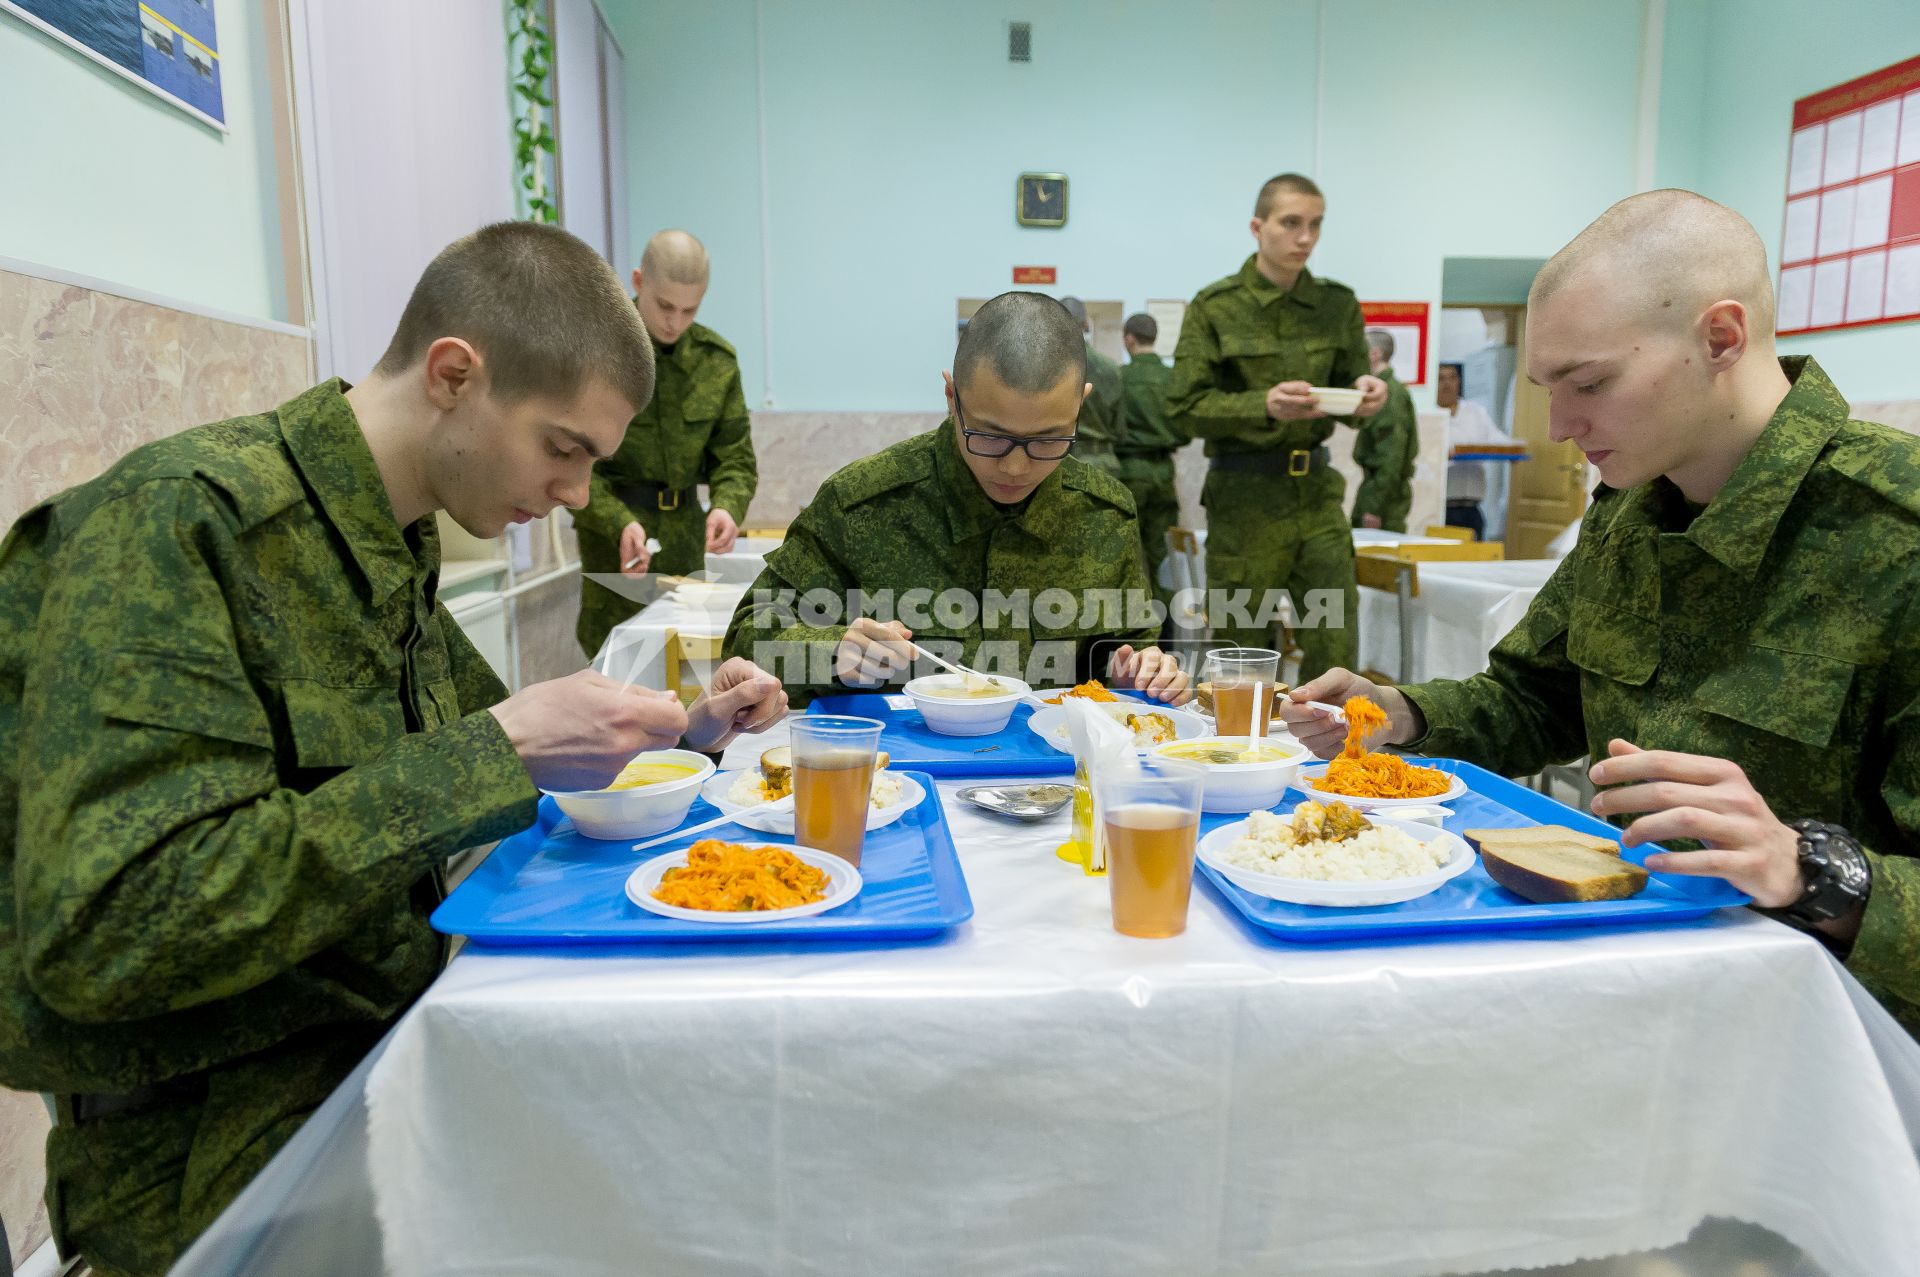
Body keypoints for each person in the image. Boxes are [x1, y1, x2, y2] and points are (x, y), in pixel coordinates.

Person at [0, 222, 790, 1276]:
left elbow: (499, 754)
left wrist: (682, 727)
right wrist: (500, 748)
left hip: (377, 1080)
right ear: (456, 374)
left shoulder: (384, 541)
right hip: (216, 1167)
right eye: (563, 448)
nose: (575, 496)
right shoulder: (185, 526)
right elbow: (110, 926)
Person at [1281, 189, 1920, 1041]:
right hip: (1637, 987)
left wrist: (1811, 871)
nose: (1561, 424)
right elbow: (1536, 696)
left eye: (1589, 383)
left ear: (1720, 338)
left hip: (1840, 1049)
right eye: (1551, 386)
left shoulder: (1894, 534)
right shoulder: (1631, 508)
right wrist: (1404, 713)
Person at [723, 291, 1190, 706]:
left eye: (1048, 440)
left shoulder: (1103, 514)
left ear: (1079, 407)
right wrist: (831, 650)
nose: (1015, 466)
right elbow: (745, 643)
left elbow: (1122, 650)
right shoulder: (863, 504)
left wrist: (1140, 672)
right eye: (990, 436)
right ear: (952, 396)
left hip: (1052, 779)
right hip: (897, 781)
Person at [1167, 172, 1387, 682]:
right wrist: (1262, 405)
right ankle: (1240, 756)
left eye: (1315, 225)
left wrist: (1368, 394)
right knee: (1239, 651)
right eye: (1291, 223)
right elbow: (1181, 407)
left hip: (1316, 494)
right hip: (1245, 497)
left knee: (1335, 640)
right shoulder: (1216, 307)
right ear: (1257, 226)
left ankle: (1333, 756)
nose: (1305, 237)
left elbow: (1350, 391)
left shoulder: (1337, 305)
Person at [573, 229, 758, 657]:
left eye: (689, 309)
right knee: (615, 672)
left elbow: (735, 458)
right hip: (615, 544)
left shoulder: (717, 362)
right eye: (664, 305)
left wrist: (729, 505)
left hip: (685, 544)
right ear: (638, 282)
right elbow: (577, 463)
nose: (675, 321)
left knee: (685, 671)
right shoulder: (596, 357)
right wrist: (619, 522)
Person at [1115, 312, 1189, 609]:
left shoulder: (1120, 377)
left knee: (1126, 551)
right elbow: (1185, 431)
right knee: (1163, 554)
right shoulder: (1173, 379)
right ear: (1155, 337)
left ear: (1128, 338)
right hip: (1163, 470)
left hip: (1130, 468)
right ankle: (1167, 629)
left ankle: (1132, 625)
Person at [1350, 329, 1419, 533]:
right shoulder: (1380, 390)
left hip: (1384, 498)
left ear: (1375, 354)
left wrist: (1374, 507)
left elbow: (1391, 456)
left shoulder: (1390, 395)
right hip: (1376, 490)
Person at [1438, 360, 1507, 540]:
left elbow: (1498, 441)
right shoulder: (1429, 415)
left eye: (1452, 378)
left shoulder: (1476, 412)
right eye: (1441, 379)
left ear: (1459, 382)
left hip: (1472, 506)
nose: (1447, 384)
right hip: (1441, 507)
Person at [1057, 295, 1124, 477]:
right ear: (1086, 324)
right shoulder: (1111, 368)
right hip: (1103, 465)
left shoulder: (1043, 365)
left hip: (1055, 462)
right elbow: (1120, 428)